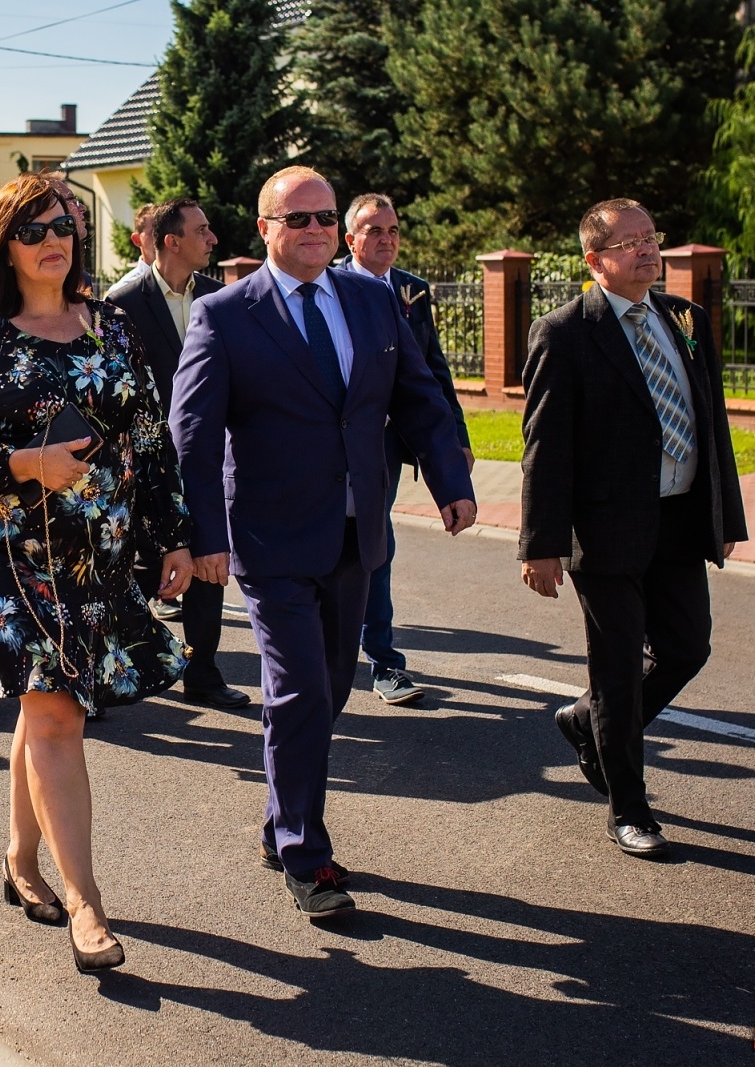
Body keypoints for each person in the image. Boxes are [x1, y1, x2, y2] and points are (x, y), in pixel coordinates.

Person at [172, 166, 476, 919]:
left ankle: (282, 815)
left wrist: (450, 480)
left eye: (324, 218)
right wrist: (203, 535)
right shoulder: (225, 314)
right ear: (265, 228)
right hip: (271, 538)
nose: (313, 229)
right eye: (296, 218)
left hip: (355, 529)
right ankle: (307, 853)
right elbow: (194, 434)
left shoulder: (372, 299)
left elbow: (418, 395)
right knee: (303, 688)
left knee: (330, 687)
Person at [0, 172, 194, 973]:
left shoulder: (112, 327)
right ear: (4, 247)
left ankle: (19, 857)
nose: (55, 239)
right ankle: (88, 903)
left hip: (99, 557)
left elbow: (149, 436)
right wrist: (24, 462)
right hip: (12, 562)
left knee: (46, 713)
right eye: (35, 228)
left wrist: (173, 535)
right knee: (56, 719)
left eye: (65, 225)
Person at [520, 199, 747, 859]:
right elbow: (545, 446)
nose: (648, 252)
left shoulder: (686, 318)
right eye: (630, 243)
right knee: (617, 669)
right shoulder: (565, 331)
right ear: (596, 261)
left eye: (652, 239)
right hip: (605, 529)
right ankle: (630, 807)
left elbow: (712, 424)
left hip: (678, 518)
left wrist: (723, 516)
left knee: (686, 647)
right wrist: (542, 544)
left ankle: (587, 720)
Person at [106, 196, 248, 711]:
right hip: (144, 459)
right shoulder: (122, 303)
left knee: (209, 557)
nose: (212, 239)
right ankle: (110, 668)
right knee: (139, 566)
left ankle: (203, 673)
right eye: (202, 230)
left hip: (208, 455)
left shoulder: (218, 296)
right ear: (171, 241)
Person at [338, 193, 475, 705]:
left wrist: (455, 439)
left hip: (391, 442)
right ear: (350, 239)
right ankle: (341, 646)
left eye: (393, 230)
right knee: (350, 544)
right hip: (344, 439)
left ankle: (383, 661)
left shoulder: (411, 290)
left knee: (377, 543)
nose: (387, 239)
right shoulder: (330, 287)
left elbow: (432, 370)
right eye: (374, 230)